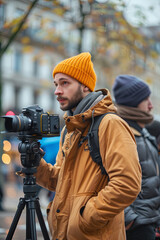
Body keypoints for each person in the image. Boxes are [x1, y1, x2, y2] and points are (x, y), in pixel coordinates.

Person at [35, 53, 141, 240]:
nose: (57, 91)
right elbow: (59, 181)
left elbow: (127, 184)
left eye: (64, 83)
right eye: (56, 84)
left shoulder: (110, 124)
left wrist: (86, 216)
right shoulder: (69, 131)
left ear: (85, 85)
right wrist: (37, 166)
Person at [112, 74, 160, 240]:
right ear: (133, 102)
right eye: (146, 99)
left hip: (150, 223)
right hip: (136, 228)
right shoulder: (120, 133)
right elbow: (106, 180)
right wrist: (131, 220)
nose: (151, 105)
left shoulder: (144, 132)